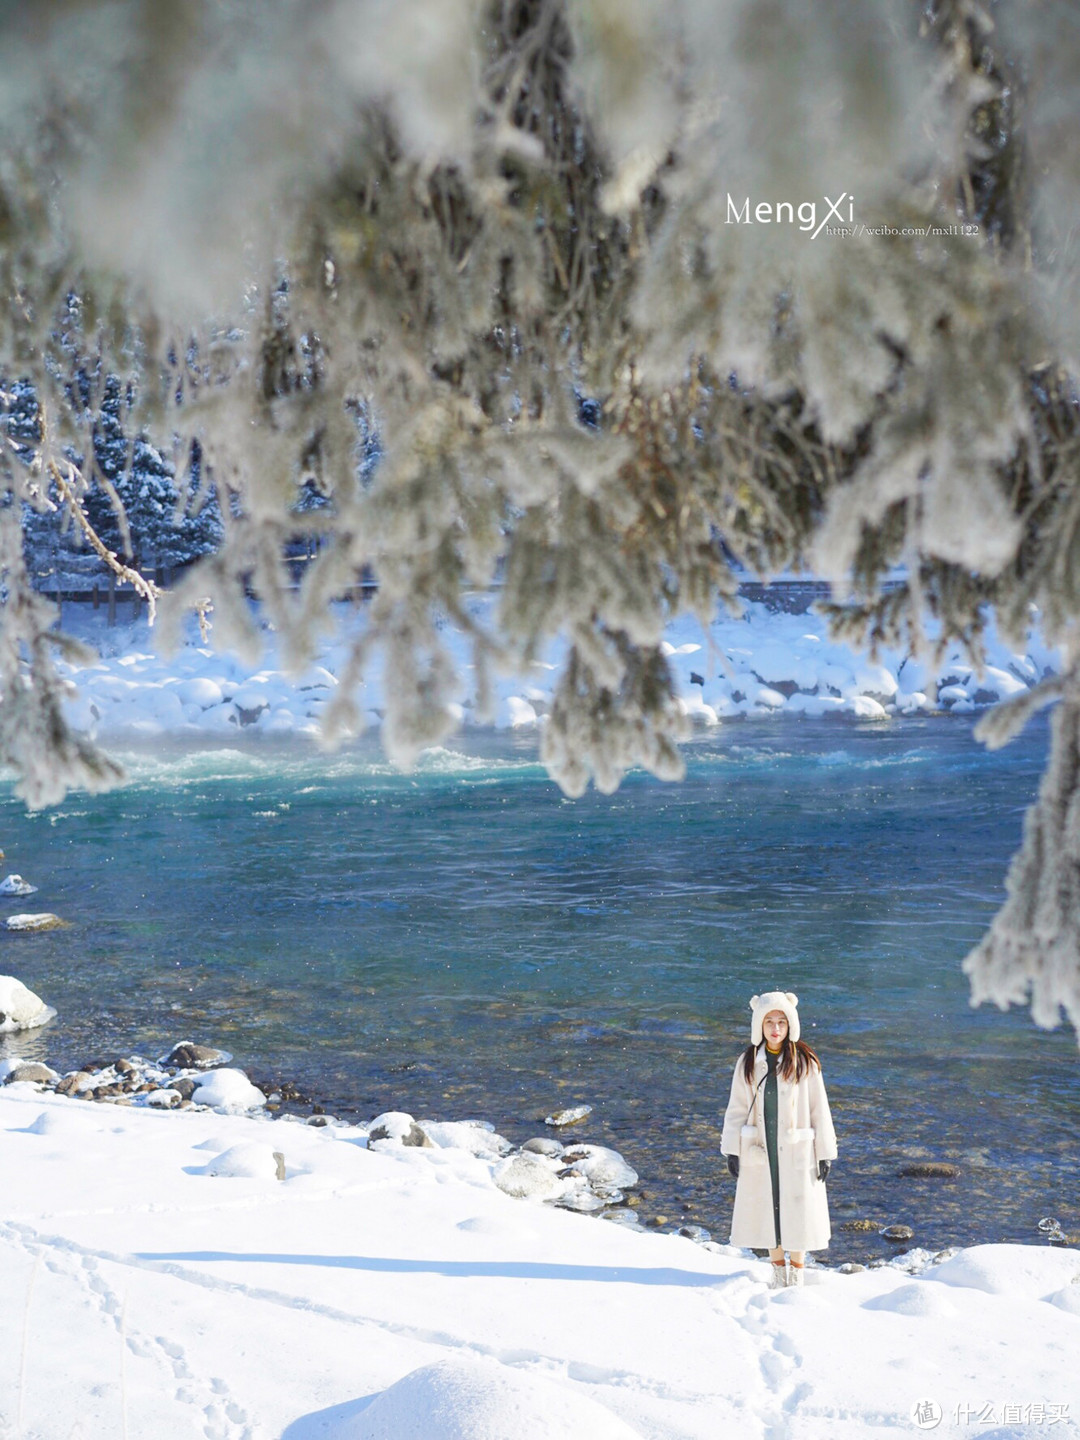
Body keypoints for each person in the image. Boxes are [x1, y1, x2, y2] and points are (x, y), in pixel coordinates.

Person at [721, 991, 837, 1287]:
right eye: (769, 1021)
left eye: (781, 1022)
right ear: (759, 1024)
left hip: (797, 1147)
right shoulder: (748, 1061)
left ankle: (796, 1269)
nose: (775, 1028)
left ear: (790, 1026)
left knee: (797, 1205)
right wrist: (732, 1149)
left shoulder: (805, 1061)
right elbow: (736, 1108)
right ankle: (776, 1268)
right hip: (761, 1144)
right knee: (766, 1204)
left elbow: (818, 1109)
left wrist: (824, 1152)